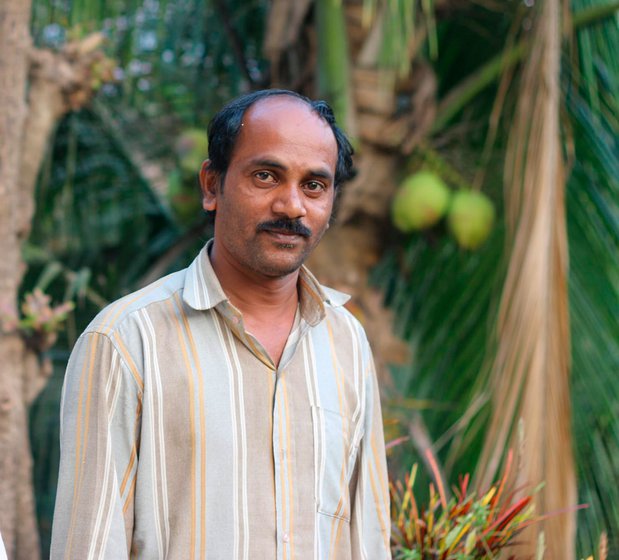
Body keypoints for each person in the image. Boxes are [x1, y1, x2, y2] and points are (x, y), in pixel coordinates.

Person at [51, 89, 391, 559]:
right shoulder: (126, 341)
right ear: (212, 185)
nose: (291, 206)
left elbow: (366, 540)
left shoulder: (346, 341)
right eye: (266, 176)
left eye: (314, 185)